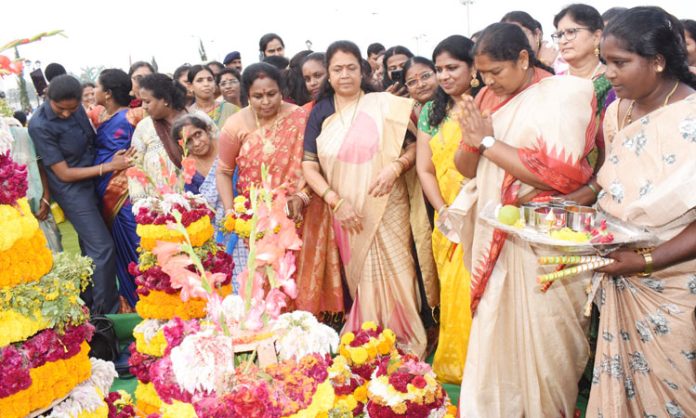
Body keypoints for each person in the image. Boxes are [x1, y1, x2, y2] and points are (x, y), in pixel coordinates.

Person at [450, 23, 597, 416]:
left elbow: (559, 175)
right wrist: (472, 137)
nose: (490, 82)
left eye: (497, 72)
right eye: (483, 75)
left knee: (548, 347)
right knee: (496, 335)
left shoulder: (563, 95)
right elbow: (466, 167)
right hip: (496, 234)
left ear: (523, 58)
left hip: (543, 236)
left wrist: (487, 141)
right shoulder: (485, 96)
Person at [584, 7, 696, 416]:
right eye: (605, 62)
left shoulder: (691, 118)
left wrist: (644, 260)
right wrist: (563, 207)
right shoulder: (618, 112)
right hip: (622, 271)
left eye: (620, 62)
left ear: (659, 61)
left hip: (675, 278)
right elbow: (609, 183)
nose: (609, 73)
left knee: (676, 392)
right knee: (622, 386)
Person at [302, 40, 438, 358]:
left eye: (351, 67)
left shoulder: (383, 103)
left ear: (362, 70)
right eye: (337, 69)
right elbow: (309, 165)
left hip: (388, 201)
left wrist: (395, 168)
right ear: (329, 75)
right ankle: (368, 337)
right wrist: (335, 201)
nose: (345, 74)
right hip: (346, 209)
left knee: (401, 271)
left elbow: (413, 147)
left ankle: (405, 336)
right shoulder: (320, 111)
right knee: (361, 277)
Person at [28, 75, 134, 314]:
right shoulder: (39, 124)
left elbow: (91, 141)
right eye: (60, 109)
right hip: (72, 190)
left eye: (72, 109)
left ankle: (88, 302)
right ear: (49, 99)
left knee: (91, 248)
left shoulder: (76, 109)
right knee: (103, 248)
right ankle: (106, 313)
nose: (66, 114)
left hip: (95, 179)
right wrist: (108, 167)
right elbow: (63, 173)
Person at [414, 35, 476, 384]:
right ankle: (458, 365)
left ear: (473, 68)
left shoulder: (486, 104)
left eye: (453, 67)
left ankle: (485, 364)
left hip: (482, 212)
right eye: (439, 69)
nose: (445, 76)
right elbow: (425, 168)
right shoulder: (430, 112)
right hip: (448, 216)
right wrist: (443, 209)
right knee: (453, 290)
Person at [216, 63, 312, 288]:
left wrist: (302, 196)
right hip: (257, 219)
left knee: (299, 276)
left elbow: (313, 162)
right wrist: (231, 212)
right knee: (265, 279)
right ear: (247, 95)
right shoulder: (235, 124)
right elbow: (223, 171)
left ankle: (304, 322)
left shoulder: (300, 117)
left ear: (282, 92)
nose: (266, 101)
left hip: (299, 211)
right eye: (257, 96)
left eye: (271, 94)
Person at [93, 68, 140, 309]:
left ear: (108, 93)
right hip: (105, 190)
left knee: (134, 248)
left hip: (123, 196)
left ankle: (146, 300)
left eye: (98, 87)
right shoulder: (103, 117)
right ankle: (129, 303)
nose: (94, 91)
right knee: (121, 252)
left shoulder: (130, 117)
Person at [553, 4, 612, 172]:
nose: (563, 40)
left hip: (598, 172)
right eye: (559, 35)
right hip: (552, 171)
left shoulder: (612, 82)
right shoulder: (553, 83)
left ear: (596, 36)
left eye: (571, 32)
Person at [7, 115, 63, 252]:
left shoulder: (23, 134)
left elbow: (40, 165)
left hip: (38, 208)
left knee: (54, 257)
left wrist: (46, 198)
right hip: (9, 221)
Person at [128, 73, 188, 201]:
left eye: (147, 101)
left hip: (195, 204)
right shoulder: (144, 127)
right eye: (142, 101)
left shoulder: (195, 122)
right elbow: (135, 167)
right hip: (157, 208)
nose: (143, 106)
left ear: (165, 100)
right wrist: (141, 205)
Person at [402, 57, 438, 123]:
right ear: (407, 89)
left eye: (425, 76)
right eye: (412, 82)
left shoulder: (455, 106)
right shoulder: (406, 119)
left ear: (437, 73)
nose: (420, 85)